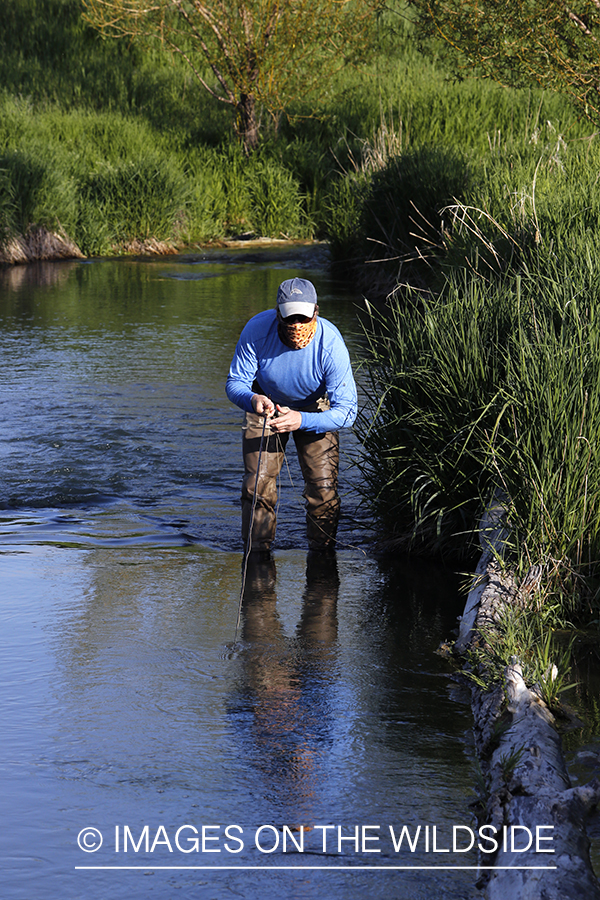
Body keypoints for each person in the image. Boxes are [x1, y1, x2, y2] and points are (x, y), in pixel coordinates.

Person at [226, 277, 357, 552]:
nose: (297, 325)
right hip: (266, 405)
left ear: (316, 312)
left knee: (323, 490)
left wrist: (302, 420)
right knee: (257, 487)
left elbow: (347, 412)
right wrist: (253, 399)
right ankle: (257, 555)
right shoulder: (257, 331)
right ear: (277, 314)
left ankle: (322, 554)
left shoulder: (330, 343)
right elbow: (235, 383)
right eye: (289, 318)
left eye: (303, 317)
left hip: (315, 408)